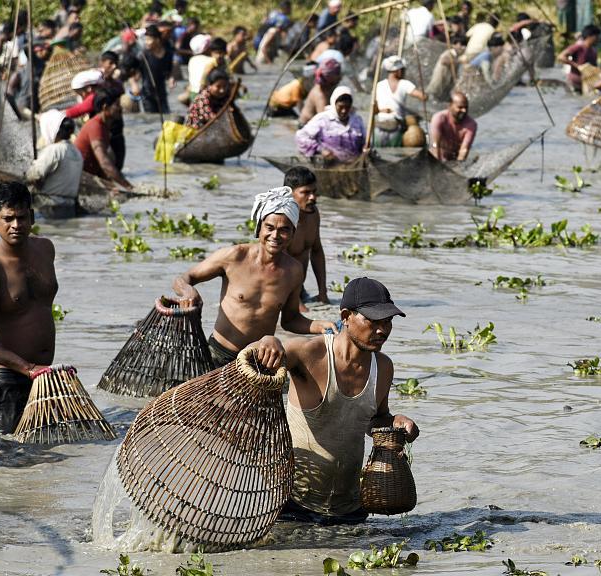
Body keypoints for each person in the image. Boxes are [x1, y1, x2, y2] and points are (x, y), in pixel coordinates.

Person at [259, 276, 418, 524]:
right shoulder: (309, 354)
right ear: (345, 316)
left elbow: (375, 419)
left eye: (387, 322)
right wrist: (267, 340)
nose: (382, 330)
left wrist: (397, 421)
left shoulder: (383, 367)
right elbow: (257, 360)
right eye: (373, 321)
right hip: (293, 505)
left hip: (351, 508)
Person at [172, 187, 327, 368]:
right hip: (218, 354)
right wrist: (188, 291)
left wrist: (319, 326)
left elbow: (290, 319)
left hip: (258, 361)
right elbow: (184, 278)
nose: (275, 236)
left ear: (293, 233)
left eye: (284, 230)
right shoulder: (235, 256)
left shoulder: (293, 271)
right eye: (269, 227)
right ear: (259, 228)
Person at [0, 182, 58, 434]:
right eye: (8, 218)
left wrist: (34, 372)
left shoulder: (45, 249)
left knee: (43, 456)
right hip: (2, 380)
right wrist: (27, 368)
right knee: (8, 457)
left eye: (21, 217)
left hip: (39, 376)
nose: (16, 225)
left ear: (31, 216)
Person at [282, 167, 330, 309]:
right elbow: (279, 265)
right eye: (305, 193)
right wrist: (296, 304)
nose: (312, 197)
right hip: (277, 288)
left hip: (298, 290)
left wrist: (323, 292)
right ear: (289, 194)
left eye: (314, 192)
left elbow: (316, 251)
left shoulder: (313, 214)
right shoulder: (282, 221)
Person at [26, 113, 83, 213]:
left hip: (50, 206)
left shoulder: (54, 150)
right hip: (70, 207)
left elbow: (34, 175)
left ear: (51, 129)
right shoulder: (77, 152)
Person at [75, 89, 132, 189]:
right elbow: (104, 163)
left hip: (89, 177)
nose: (120, 108)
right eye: (117, 105)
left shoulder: (105, 127)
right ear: (105, 108)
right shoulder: (95, 127)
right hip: (79, 180)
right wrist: (129, 187)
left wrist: (110, 185)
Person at [296, 86, 365, 162]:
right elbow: (301, 136)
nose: (344, 111)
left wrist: (365, 148)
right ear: (334, 103)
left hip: (353, 165)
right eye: (340, 107)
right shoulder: (323, 119)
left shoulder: (357, 120)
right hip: (327, 164)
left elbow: (364, 142)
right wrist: (320, 150)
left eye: (347, 107)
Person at [373, 56, 427, 147]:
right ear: (398, 71)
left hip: (379, 127)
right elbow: (422, 97)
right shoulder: (404, 84)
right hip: (396, 127)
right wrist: (424, 94)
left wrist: (383, 111)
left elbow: (375, 108)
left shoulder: (379, 85)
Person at [429, 91, 476, 161]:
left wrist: (459, 165)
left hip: (454, 159)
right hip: (437, 157)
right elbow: (435, 145)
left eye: (466, 107)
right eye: (460, 107)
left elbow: (464, 149)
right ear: (450, 106)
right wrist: (437, 165)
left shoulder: (471, 124)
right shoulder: (438, 118)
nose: (464, 110)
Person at [558, 24, 600, 93]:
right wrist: (577, 66)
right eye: (596, 36)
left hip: (586, 84)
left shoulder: (594, 51)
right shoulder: (578, 47)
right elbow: (561, 57)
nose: (598, 39)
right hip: (574, 82)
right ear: (589, 36)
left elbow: (594, 68)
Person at [140, 24, 173, 113]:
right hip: (147, 94)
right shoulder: (143, 55)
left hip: (161, 93)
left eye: (149, 39)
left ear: (157, 40)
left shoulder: (168, 54)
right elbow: (132, 72)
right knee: (152, 118)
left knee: (166, 116)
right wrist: (134, 83)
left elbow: (168, 72)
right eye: (145, 39)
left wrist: (171, 79)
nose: (146, 42)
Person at [299, 58, 342, 126]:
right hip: (306, 126)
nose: (340, 77)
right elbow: (325, 120)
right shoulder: (319, 95)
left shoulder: (329, 86)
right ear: (329, 78)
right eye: (338, 74)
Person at [184, 33, 212, 102]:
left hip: (193, 93)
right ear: (207, 48)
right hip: (205, 93)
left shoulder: (192, 60)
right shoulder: (211, 60)